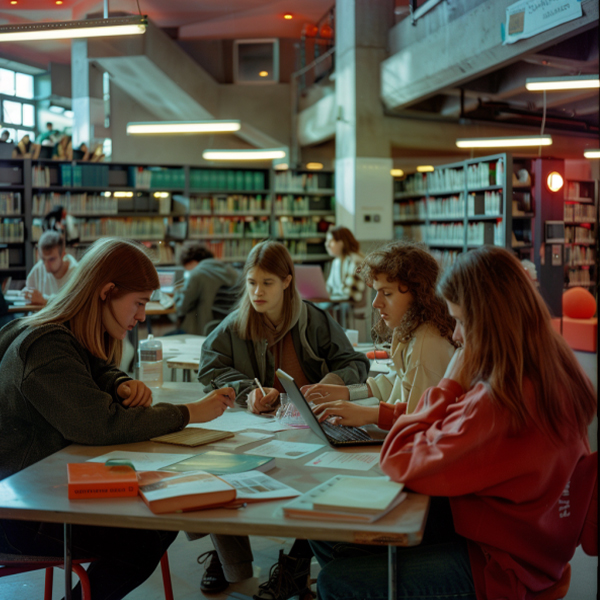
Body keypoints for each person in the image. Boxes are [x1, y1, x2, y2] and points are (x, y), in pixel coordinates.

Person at [312, 246, 597, 600]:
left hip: (502, 565)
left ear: (490, 321)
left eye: (461, 321)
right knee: (334, 529)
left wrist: (448, 384)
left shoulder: (499, 398)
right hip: (534, 543)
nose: (457, 335)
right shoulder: (550, 367)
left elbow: (399, 459)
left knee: (335, 579)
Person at [0, 237, 235, 600]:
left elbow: (91, 368)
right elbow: (100, 424)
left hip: (42, 493)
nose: (142, 316)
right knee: (145, 533)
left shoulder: (53, 333)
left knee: (163, 512)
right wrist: (190, 413)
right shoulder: (44, 346)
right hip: (22, 514)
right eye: (138, 303)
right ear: (106, 291)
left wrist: (119, 381)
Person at [196, 240, 370, 598]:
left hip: (306, 428)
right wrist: (248, 393)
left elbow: (355, 364)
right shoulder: (236, 323)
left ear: (288, 282)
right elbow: (210, 365)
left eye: (268, 283)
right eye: (251, 282)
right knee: (215, 470)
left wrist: (331, 384)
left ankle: (296, 561)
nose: (257, 292)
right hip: (253, 430)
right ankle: (229, 562)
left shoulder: (314, 320)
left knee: (328, 480)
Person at [308, 240, 456, 426]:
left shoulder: (426, 344)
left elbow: (419, 421)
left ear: (419, 295)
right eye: (377, 293)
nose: (375, 303)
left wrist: (369, 414)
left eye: (387, 294)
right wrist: (347, 392)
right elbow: (398, 381)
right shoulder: (412, 329)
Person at [175, 243, 240, 335]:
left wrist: (177, 293)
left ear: (191, 262)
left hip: (201, 332)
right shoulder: (232, 272)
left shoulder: (197, 274)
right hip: (228, 329)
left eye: (187, 268)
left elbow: (182, 307)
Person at [24, 230, 78, 305]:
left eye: (51, 259)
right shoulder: (38, 268)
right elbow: (27, 294)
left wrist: (45, 300)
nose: (46, 265)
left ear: (63, 254)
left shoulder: (76, 272)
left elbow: (74, 303)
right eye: (43, 259)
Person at [324, 226, 365, 302]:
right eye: (326, 241)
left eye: (331, 241)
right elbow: (329, 288)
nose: (327, 245)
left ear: (341, 242)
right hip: (339, 307)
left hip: (353, 310)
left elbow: (350, 294)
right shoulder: (336, 262)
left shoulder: (356, 261)